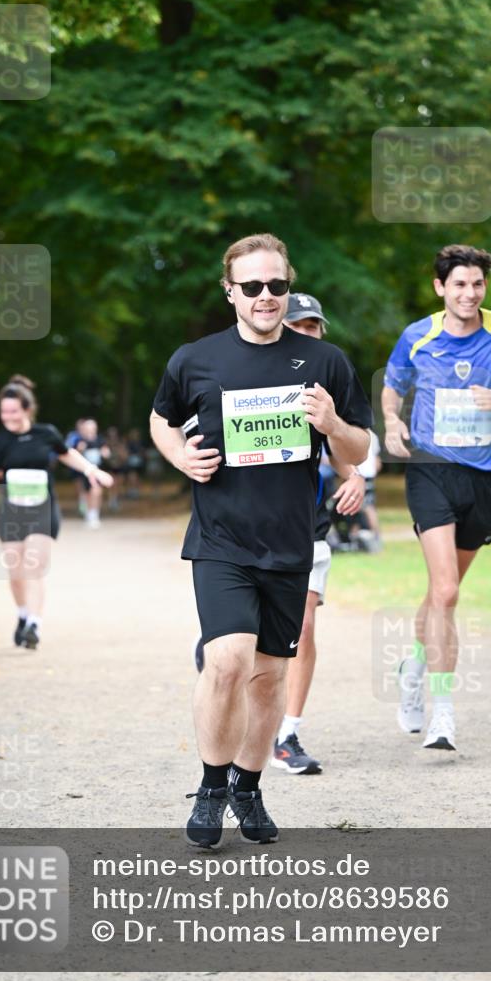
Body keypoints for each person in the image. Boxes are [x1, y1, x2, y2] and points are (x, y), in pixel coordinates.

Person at [150, 233, 372, 848]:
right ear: (231, 293)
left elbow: (359, 447)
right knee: (226, 660)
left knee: (271, 676)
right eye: (252, 287)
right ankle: (210, 788)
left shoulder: (325, 362)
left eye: (276, 285)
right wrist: (180, 458)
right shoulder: (195, 359)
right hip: (221, 538)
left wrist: (331, 424)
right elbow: (161, 419)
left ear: (287, 285)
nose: (266, 296)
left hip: (290, 544)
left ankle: (248, 787)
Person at [382, 245, 491, 751]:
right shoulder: (418, 336)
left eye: (476, 284)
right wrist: (391, 421)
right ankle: (443, 714)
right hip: (430, 470)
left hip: (484, 479)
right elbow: (392, 388)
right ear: (440, 288)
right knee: (447, 591)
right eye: (458, 285)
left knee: (440, 594)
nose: (468, 294)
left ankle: (412, 666)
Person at [271, 293, 366, 775]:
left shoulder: (324, 387)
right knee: (248, 638)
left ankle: (287, 733)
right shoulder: (252, 380)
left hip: (308, 532)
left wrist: (356, 477)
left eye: (315, 328)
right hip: (249, 534)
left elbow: (343, 450)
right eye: (298, 327)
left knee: (303, 628)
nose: (308, 336)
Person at [0, 376, 113, 650]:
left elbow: (66, 454)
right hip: (11, 510)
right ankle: (22, 614)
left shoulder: (46, 433)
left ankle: (34, 624)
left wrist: (92, 470)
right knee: (16, 570)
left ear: (27, 409)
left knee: (35, 566)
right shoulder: (0, 441)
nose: (7, 416)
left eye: (13, 411)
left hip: (42, 507)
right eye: (4, 411)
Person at [346, 430, 383, 551]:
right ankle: (355, 536)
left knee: (366, 506)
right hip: (368, 475)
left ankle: (376, 536)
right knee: (359, 505)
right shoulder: (374, 435)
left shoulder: (353, 431)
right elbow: (377, 461)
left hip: (360, 474)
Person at [75, 418, 110, 529]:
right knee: (87, 493)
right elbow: (75, 455)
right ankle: (90, 513)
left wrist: (105, 453)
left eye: (92, 428)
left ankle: (94, 514)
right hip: (85, 472)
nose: (90, 430)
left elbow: (106, 452)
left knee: (97, 491)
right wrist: (80, 449)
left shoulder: (100, 440)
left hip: (98, 471)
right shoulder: (81, 441)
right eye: (87, 428)